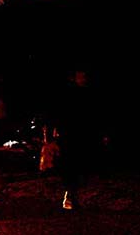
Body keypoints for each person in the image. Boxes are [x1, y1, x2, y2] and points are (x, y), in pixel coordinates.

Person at [52, 68, 99, 210]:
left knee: (81, 165)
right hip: (70, 135)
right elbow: (62, 113)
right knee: (71, 165)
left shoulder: (90, 94)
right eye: (81, 76)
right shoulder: (69, 95)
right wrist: (59, 130)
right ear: (75, 78)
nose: (83, 79)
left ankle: (74, 194)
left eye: (85, 76)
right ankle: (70, 194)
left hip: (84, 135)